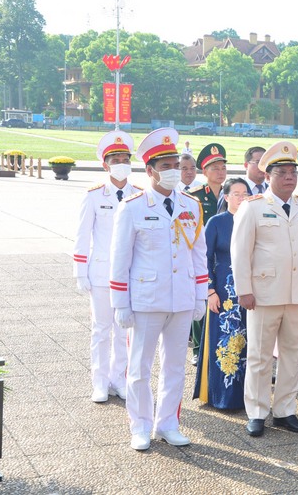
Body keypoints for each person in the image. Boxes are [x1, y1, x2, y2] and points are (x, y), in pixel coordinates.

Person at [109, 127, 208, 451]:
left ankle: (167, 423)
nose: (172, 172)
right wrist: (120, 303)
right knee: (139, 368)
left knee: (175, 366)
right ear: (149, 170)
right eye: (164, 166)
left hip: (180, 299)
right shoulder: (134, 206)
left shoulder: (191, 205)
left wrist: (199, 295)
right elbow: (120, 258)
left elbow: (198, 254)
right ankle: (139, 425)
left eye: (175, 166)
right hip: (146, 300)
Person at [230, 141, 298, 438]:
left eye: (292, 173)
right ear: (267, 176)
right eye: (281, 172)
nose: (288, 178)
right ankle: (257, 412)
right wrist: (244, 289)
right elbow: (240, 252)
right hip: (264, 294)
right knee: (259, 356)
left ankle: (285, 410)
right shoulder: (253, 207)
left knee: (291, 354)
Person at [74, 130, 141, 403]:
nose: (120, 163)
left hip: (129, 275)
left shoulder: (139, 195)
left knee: (124, 330)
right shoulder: (93, 196)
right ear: (105, 164)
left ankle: (119, 379)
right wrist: (80, 271)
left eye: (125, 158)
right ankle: (99, 382)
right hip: (101, 273)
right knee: (101, 330)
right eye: (115, 159)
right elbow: (82, 235)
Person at [193, 177, 249, 410]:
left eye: (245, 193)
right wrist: (210, 290)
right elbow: (203, 258)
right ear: (226, 197)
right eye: (236, 194)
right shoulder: (216, 222)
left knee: (247, 343)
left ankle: (246, 397)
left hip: (249, 292)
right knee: (222, 342)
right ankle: (219, 396)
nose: (241, 198)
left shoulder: (253, 221)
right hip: (223, 293)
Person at [188, 142, 228, 365]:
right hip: (201, 254)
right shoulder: (194, 196)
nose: (220, 172)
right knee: (202, 298)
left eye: (222, 168)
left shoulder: (231, 193)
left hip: (222, 255)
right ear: (205, 172)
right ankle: (197, 347)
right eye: (215, 168)